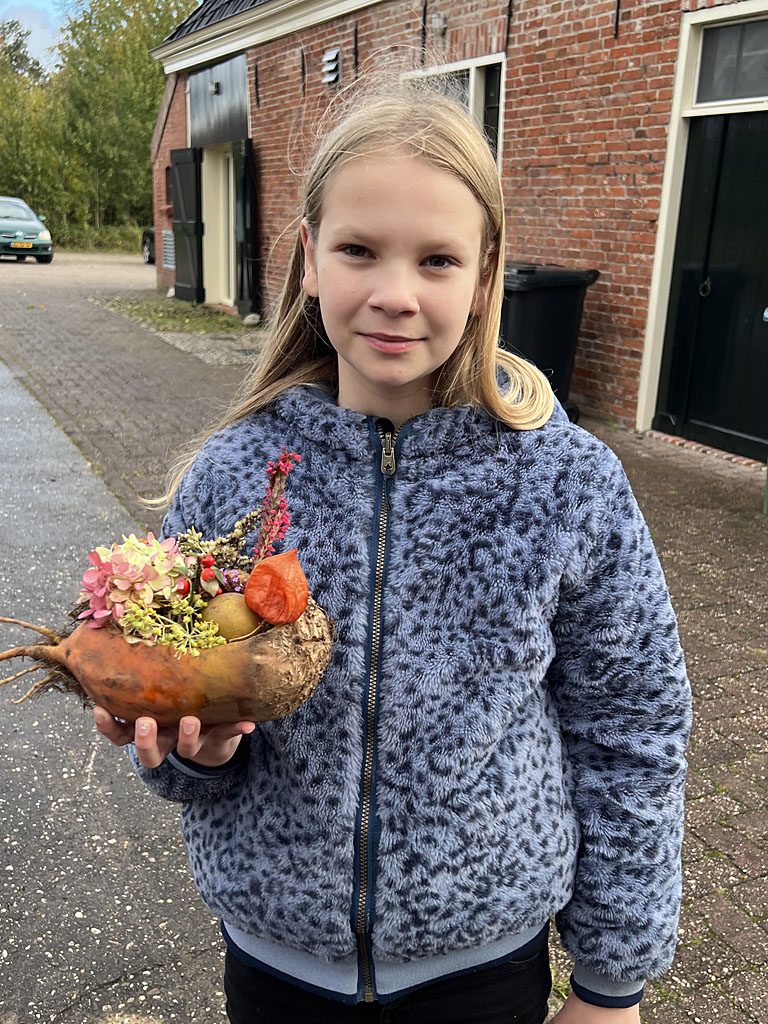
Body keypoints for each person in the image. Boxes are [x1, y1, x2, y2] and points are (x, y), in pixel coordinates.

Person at [94, 80, 692, 1024]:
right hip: (276, 973)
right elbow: (178, 740)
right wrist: (194, 753)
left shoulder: (567, 483)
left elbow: (633, 728)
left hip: (484, 978)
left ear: (486, 278)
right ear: (309, 259)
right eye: (360, 250)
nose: (395, 294)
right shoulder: (235, 476)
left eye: (438, 260)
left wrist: (612, 986)